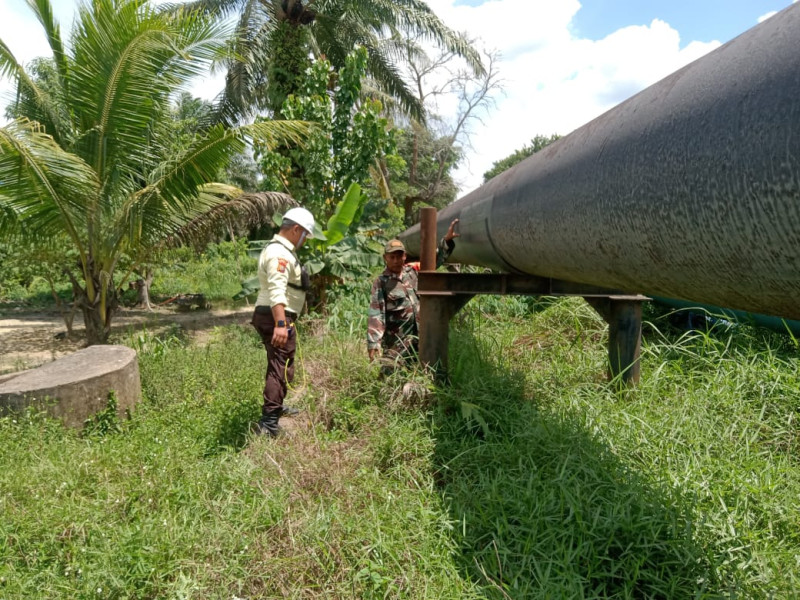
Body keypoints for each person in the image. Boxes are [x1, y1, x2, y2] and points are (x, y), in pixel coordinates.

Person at [251, 206, 317, 437]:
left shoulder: (280, 250)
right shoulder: (280, 253)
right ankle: (268, 424)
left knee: (281, 366)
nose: (305, 240)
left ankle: (276, 408)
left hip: (275, 315)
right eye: (305, 235)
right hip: (276, 316)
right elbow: (277, 290)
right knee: (279, 368)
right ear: (295, 229)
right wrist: (280, 324)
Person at [367, 219, 460, 368]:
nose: (396, 260)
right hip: (397, 343)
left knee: (420, 372)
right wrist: (373, 342)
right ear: (385, 258)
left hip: (419, 338)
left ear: (405, 256)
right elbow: (376, 314)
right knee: (392, 375)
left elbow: (434, 261)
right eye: (392, 257)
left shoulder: (413, 272)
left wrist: (446, 241)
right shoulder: (381, 282)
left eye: (399, 256)